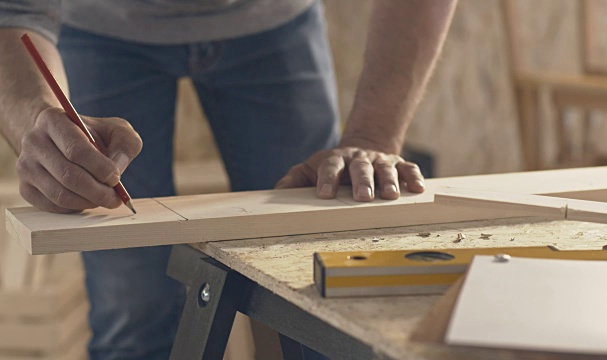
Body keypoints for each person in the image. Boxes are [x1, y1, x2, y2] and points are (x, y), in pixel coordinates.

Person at [0, 0, 457, 358]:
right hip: (96, 21)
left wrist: (373, 135)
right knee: (134, 312)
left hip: (275, 19)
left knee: (323, 293)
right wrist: (38, 121)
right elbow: (12, 13)